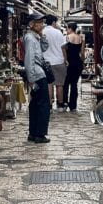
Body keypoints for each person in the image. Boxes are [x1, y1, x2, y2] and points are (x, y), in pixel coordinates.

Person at [23, 13, 50, 143]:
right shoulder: (29, 38)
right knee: (43, 105)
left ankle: (33, 133)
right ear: (31, 24)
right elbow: (29, 59)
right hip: (37, 75)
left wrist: (42, 35)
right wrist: (31, 78)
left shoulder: (36, 37)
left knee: (35, 104)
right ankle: (39, 134)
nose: (42, 24)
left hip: (38, 74)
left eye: (42, 22)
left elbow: (45, 47)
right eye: (39, 22)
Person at [42, 15, 67, 110]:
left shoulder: (43, 32)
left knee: (49, 84)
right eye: (56, 22)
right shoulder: (58, 33)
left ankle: (49, 104)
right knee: (59, 84)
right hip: (59, 61)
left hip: (47, 61)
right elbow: (63, 48)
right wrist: (65, 60)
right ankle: (60, 104)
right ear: (53, 22)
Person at [62, 22, 85, 112]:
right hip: (77, 63)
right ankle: (73, 105)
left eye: (67, 29)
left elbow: (63, 49)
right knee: (74, 84)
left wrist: (65, 60)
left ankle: (64, 103)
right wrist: (82, 62)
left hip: (69, 63)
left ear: (70, 28)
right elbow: (82, 53)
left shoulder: (67, 38)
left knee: (66, 84)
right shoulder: (81, 39)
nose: (66, 30)